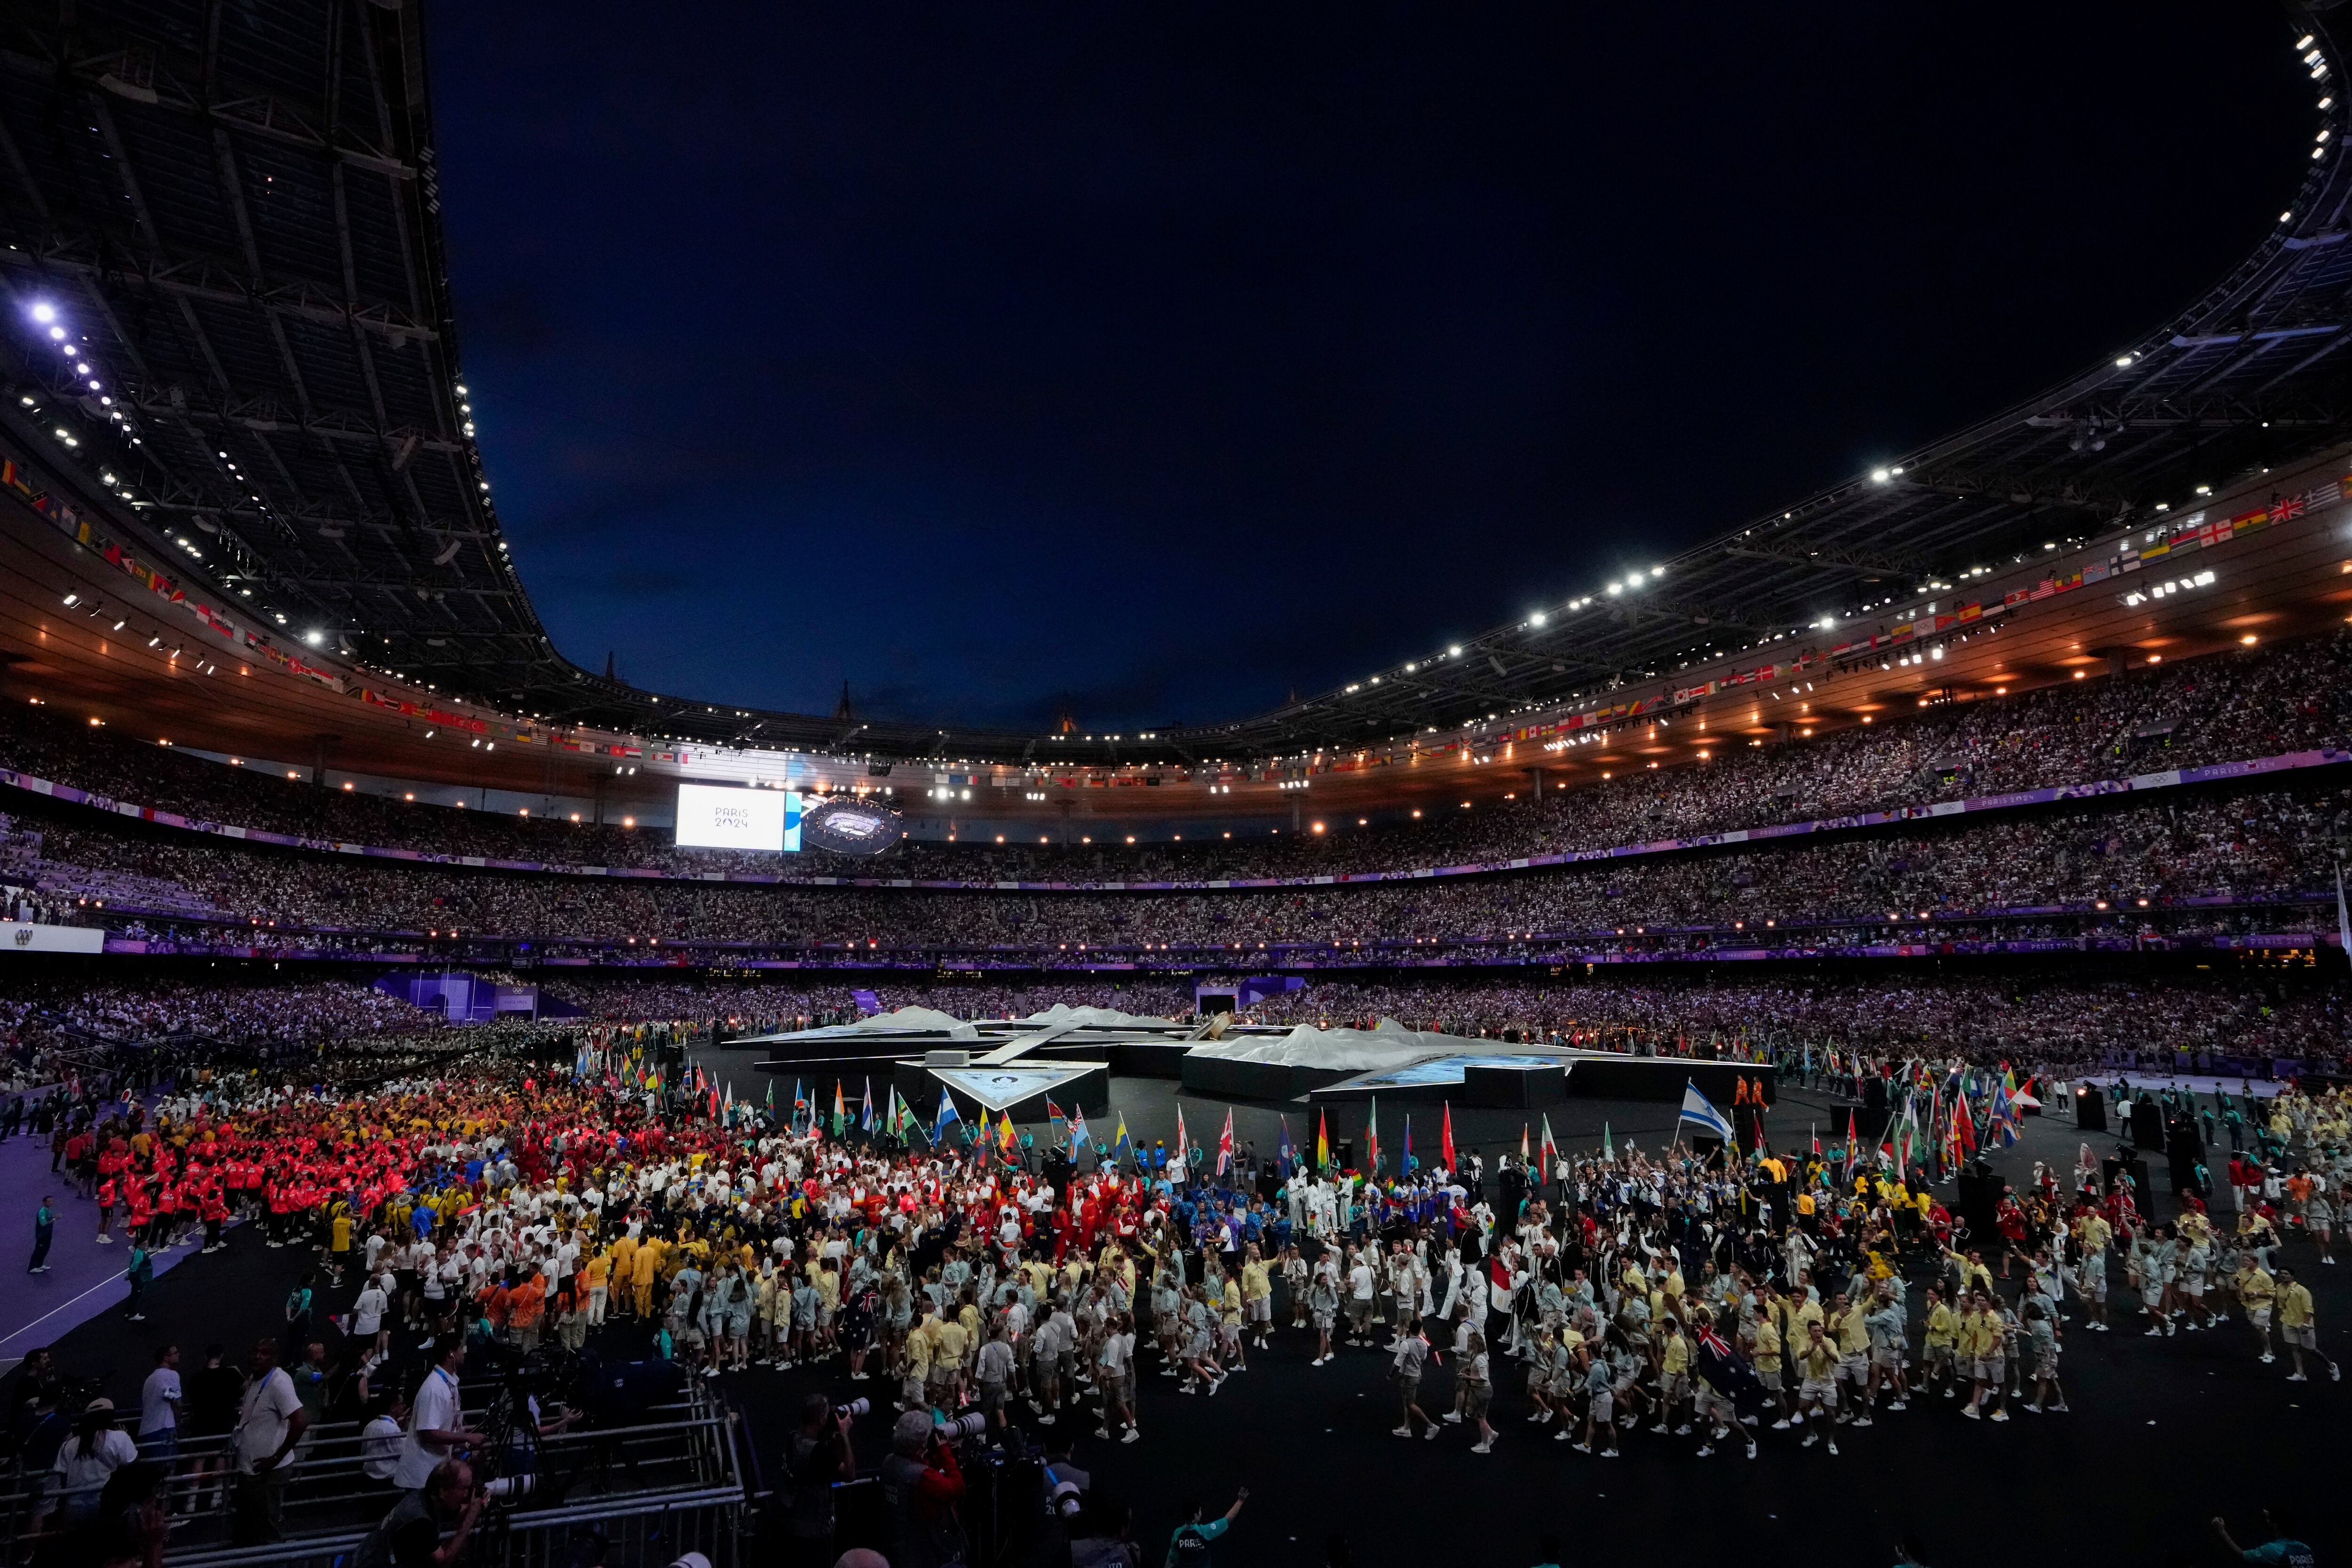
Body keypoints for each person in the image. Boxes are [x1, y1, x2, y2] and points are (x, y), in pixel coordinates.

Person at [230, 1337, 307, 1544]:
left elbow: (300, 1421)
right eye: (255, 1351)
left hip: (267, 1472)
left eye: (264, 1353)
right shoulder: (256, 1378)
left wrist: (275, 1458)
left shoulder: (279, 1382)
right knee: (250, 1524)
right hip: (252, 1469)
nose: (257, 1356)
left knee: (266, 1526)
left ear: (274, 1359)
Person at [352, 1457, 487, 1568]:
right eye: (464, 1488)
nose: (467, 1494)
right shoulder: (420, 1521)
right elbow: (444, 1561)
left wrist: (476, 1506)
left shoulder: (427, 1496)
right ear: (444, 1491)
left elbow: (457, 1513)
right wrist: (470, 1518)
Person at [879, 1409, 967, 1568]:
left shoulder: (889, 1462)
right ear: (922, 1444)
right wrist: (945, 1452)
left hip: (899, 1547)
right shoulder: (922, 1476)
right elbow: (957, 1489)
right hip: (928, 1554)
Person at [396, 1338, 478, 1492]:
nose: (464, 1353)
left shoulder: (447, 1383)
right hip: (421, 1476)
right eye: (461, 1348)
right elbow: (428, 1434)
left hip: (433, 1470)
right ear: (451, 1354)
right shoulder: (434, 1388)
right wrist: (467, 1438)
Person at [783, 1394, 856, 1568]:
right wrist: (845, 1435)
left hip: (791, 1517)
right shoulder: (818, 1452)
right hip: (813, 1528)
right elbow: (850, 1474)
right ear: (822, 1419)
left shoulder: (793, 1438)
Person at [53, 1399, 140, 1526]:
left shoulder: (69, 1445)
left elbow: (63, 1478)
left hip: (74, 1504)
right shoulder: (119, 1438)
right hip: (107, 1502)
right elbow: (134, 1463)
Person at [2273, 1268, 2339, 1384]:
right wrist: (2280, 1320)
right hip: (2288, 1322)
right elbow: (2280, 1306)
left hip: (2302, 1324)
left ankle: (2331, 1367)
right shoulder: (2279, 1288)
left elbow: (2308, 1309)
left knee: (2311, 1350)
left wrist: (2305, 1324)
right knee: (2295, 1348)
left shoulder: (2302, 1291)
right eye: (2282, 1274)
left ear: (2292, 1277)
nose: (2283, 1276)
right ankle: (2300, 1374)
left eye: (2286, 1274)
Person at [1165, 1488, 1247, 1568]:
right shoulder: (1204, 1532)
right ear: (1195, 1516)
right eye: (1200, 1511)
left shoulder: (1177, 1534)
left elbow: (1172, 1560)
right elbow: (1227, 1520)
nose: (1201, 1513)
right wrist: (1240, 1501)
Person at [2210, 1509, 2316, 1567]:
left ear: (2275, 1527)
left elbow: (2241, 1556)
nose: (2266, 1523)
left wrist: (2221, 1531)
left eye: (2268, 1521)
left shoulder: (2273, 1550)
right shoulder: (2307, 1550)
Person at [136, 1345, 182, 1469]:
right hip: (164, 1430)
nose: (179, 1355)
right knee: (166, 1474)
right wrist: (178, 1422)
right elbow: (177, 1402)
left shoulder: (150, 1379)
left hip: (146, 1432)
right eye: (175, 1353)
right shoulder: (171, 1375)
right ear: (166, 1357)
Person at [29, 1193, 55, 1274]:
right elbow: (43, 1223)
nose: (51, 1203)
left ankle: (39, 1265)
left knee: (45, 1250)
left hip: (47, 1234)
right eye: (49, 1201)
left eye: (52, 1201)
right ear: (44, 1203)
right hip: (42, 1235)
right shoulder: (42, 1212)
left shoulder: (48, 1211)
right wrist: (54, 1219)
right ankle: (32, 1268)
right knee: (38, 1250)